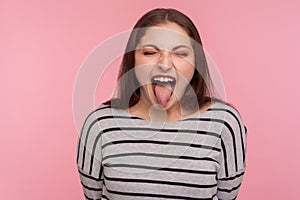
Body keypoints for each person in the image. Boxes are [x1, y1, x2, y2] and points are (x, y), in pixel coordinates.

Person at [76, 8, 247, 200]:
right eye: (150, 52)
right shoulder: (99, 124)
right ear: (133, 60)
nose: (165, 64)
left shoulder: (224, 124)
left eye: (180, 53)